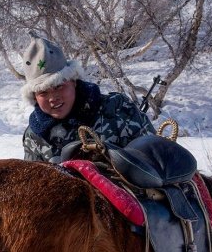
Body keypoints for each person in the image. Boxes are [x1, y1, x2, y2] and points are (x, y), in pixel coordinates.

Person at [22, 34, 156, 162]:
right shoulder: (34, 135)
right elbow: (31, 182)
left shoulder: (118, 110)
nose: (53, 98)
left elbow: (155, 158)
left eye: (59, 86)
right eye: (43, 93)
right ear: (34, 96)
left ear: (73, 81)